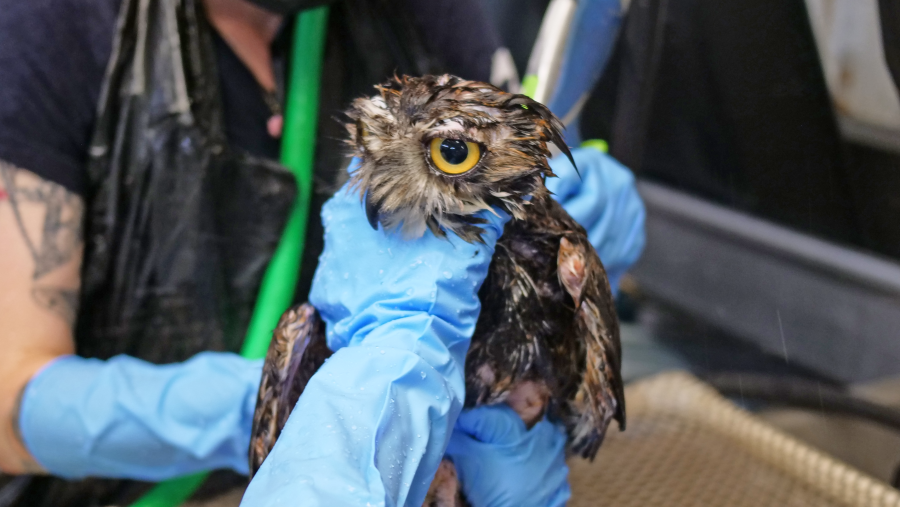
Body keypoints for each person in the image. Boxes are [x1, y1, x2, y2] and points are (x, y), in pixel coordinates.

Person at [0, 0, 645, 506]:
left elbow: (513, 141)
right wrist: (266, 403)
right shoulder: (56, 25)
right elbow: (8, 405)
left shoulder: (422, 11)